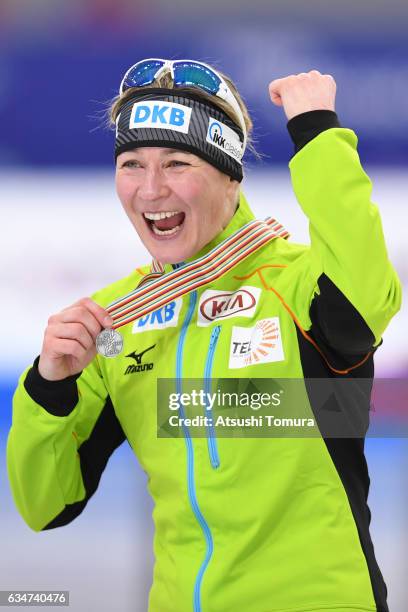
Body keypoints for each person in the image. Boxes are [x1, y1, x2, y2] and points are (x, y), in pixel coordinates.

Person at [7, 59, 401, 612]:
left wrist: (318, 137)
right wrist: (49, 388)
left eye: (176, 163)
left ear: (230, 175)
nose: (151, 190)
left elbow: (366, 296)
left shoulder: (295, 286)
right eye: (131, 164)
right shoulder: (118, 321)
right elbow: (45, 504)